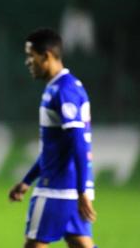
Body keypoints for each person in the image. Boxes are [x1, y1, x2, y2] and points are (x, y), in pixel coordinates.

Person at [9, 28, 97, 248]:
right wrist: (27, 180)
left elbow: (77, 141)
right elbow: (56, 148)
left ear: (46, 55)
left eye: (31, 56)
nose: (27, 62)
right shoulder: (62, 87)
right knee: (81, 243)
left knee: (34, 244)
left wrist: (81, 192)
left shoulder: (63, 89)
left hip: (57, 188)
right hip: (69, 185)